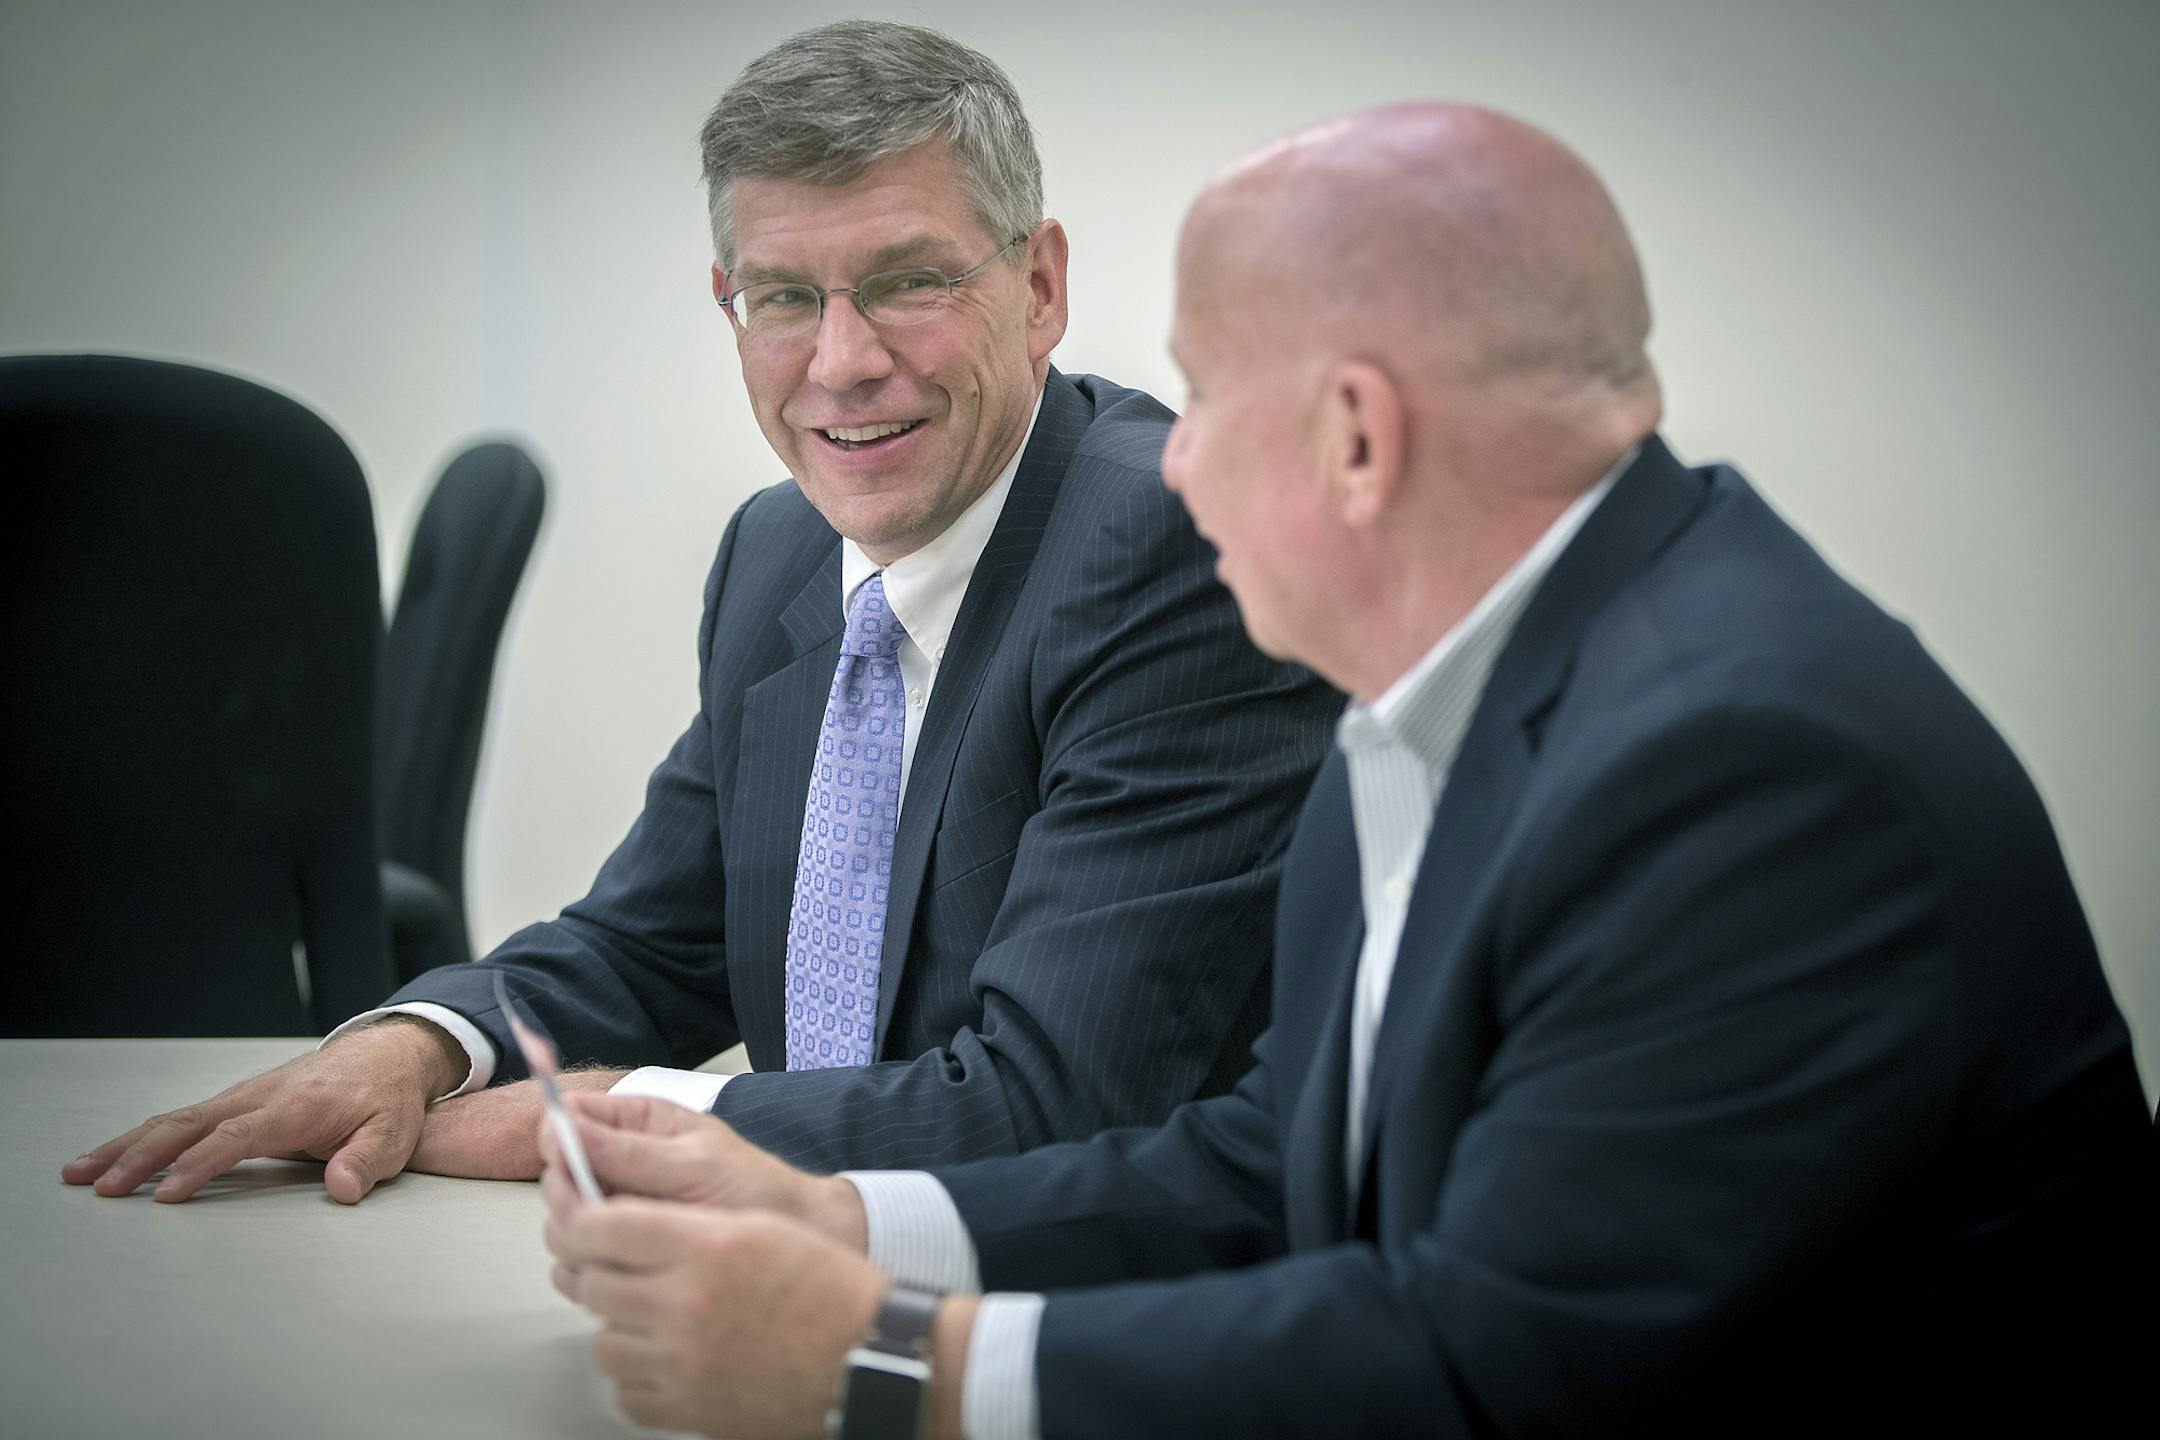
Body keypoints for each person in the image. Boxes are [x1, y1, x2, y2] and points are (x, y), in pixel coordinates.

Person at [533, 102, 2159, 1438]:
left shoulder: (1744, 772)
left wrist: (891, 1361)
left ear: (1357, 439)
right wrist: (855, 1227)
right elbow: (1273, 1162)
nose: (1166, 455)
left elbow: (1501, 1368)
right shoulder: (1460, 695)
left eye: (1207, 394)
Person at [63, 21, 1338, 1205]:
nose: (840, 362)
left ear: (1041, 289)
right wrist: (416, 1046)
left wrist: (622, 1118)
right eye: (785, 297)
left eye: (906, 283)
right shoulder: (779, 549)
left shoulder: (1173, 550)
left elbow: (1056, 1105)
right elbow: (649, 947)